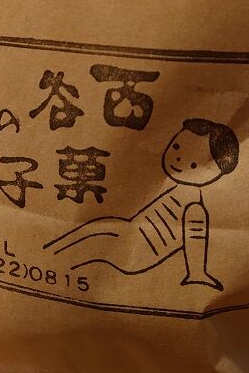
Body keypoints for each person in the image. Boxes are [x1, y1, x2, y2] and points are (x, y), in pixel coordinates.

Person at [43, 118, 239, 288]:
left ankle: (46, 261)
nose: (178, 159)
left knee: (84, 245)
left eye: (194, 164)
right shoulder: (177, 191)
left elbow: (196, 240)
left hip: (138, 250)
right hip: (129, 232)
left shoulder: (195, 208)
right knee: (88, 234)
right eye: (176, 147)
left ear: (218, 172)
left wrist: (197, 274)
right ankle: (45, 257)